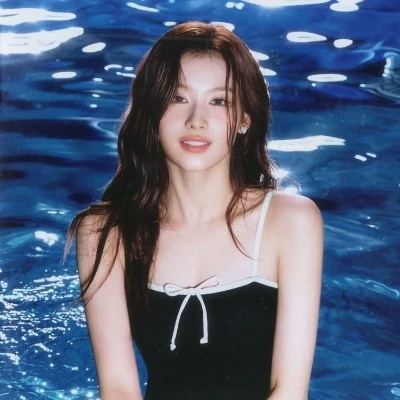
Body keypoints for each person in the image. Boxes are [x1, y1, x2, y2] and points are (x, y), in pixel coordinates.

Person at [65, 21, 324, 400]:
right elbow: (119, 390)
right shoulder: (105, 232)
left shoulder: (291, 222)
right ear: (151, 112)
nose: (196, 120)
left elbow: (289, 391)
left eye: (219, 101)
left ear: (246, 119)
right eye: (177, 97)